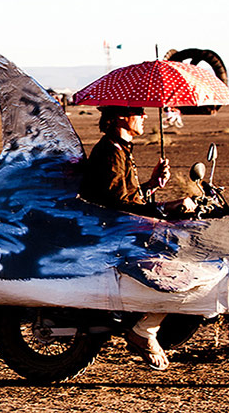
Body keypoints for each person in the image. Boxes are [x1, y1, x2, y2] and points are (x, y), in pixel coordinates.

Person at [79, 106, 196, 370]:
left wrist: (153, 185)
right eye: (138, 112)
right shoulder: (110, 152)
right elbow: (119, 207)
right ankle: (144, 330)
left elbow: (126, 198)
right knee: (181, 271)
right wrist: (166, 207)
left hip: (123, 230)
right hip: (115, 237)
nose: (144, 117)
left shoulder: (120, 150)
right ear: (121, 117)